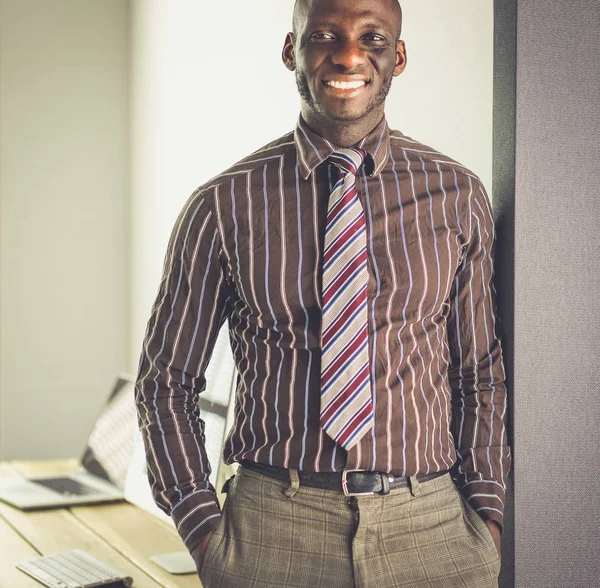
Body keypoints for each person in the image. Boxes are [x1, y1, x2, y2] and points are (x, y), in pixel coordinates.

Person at [134, 0, 511, 586]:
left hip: (433, 534)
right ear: (291, 50)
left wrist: (485, 518)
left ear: (399, 56)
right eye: (325, 35)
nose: (349, 55)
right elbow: (165, 382)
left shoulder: (457, 195)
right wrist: (201, 526)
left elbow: (479, 373)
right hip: (270, 532)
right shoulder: (221, 206)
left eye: (373, 38)